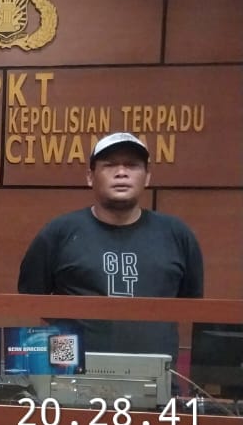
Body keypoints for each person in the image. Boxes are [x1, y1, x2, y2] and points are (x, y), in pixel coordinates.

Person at [18, 131, 203, 360]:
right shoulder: (59, 232)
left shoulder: (176, 234)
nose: (121, 172)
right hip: (72, 372)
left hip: (155, 375)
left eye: (132, 165)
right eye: (110, 165)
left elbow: (191, 304)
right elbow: (31, 299)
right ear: (90, 177)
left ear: (147, 177)